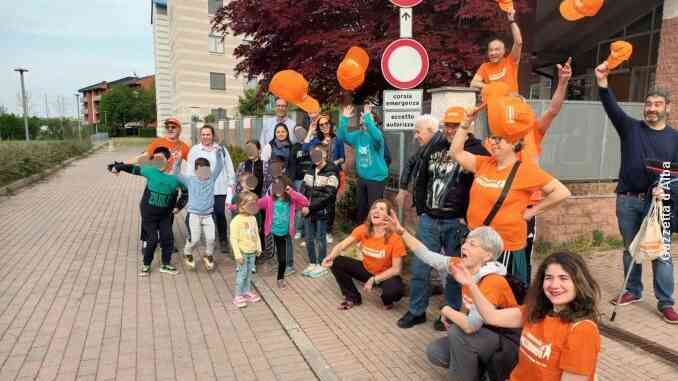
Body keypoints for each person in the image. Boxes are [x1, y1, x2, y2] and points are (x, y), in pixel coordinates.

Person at [384, 211, 519, 381]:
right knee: (436, 352)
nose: (464, 246)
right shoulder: (462, 266)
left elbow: (471, 326)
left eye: (472, 244)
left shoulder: (493, 281)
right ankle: (481, 371)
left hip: (505, 341)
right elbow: (427, 255)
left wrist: (447, 310)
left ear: (488, 255)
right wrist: (401, 231)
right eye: (466, 242)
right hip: (484, 335)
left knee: (458, 332)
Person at [595, 61, 678, 323]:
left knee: (661, 252)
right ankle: (633, 290)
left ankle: (666, 302)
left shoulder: (675, 139)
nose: (651, 109)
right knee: (630, 248)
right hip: (628, 200)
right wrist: (602, 82)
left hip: (659, 204)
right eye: (648, 104)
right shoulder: (630, 128)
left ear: (668, 108)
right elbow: (611, 106)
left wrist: (666, 190)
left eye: (657, 104)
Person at [452, 110, 571, 285]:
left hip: (505, 246)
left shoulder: (526, 171)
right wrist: (465, 124)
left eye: (501, 139)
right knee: (477, 291)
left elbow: (561, 192)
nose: (494, 142)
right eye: (493, 138)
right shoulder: (484, 163)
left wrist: (532, 212)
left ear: (515, 143)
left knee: (501, 294)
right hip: (478, 244)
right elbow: (456, 153)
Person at [395, 112, 490, 330]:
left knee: (455, 270)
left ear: (468, 126)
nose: (449, 129)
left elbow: (483, 188)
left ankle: (450, 314)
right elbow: (422, 177)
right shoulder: (434, 146)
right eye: (447, 125)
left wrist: (469, 218)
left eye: (455, 125)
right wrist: (421, 209)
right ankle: (416, 311)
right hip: (429, 219)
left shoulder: (477, 151)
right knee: (420, 266)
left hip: (456, 223)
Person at [451, 251, 602, 381]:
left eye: (563, 278)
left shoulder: (582, 331)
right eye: (548, 277)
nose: (554, 285)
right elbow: (491, 316)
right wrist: (471, 284)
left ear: (579, 283)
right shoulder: (537, 311)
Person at [521, 57, 573, 281]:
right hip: (502, 204)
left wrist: (562, 83)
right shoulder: (495, 139)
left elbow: (552, 110)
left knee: (522, 255)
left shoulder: (533, 131)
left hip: (527, 205)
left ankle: (522, 299)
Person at [108, 147, 187, 276]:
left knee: (167, 238)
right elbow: (132, 169)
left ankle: (166, 264)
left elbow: (185, 192)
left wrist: (179, 206)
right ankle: (146, 265)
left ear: (168, 159)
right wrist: (117, 167)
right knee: (152, 240)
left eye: (160, 159)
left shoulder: (176, 178)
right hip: (148, 214)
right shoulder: (150, 171)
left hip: (165, 215)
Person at [321, 199, 405, 310]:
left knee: (395, 292)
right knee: (336, 261)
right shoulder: (363, 229)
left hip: (386, 275)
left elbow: (396, 269)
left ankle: (387, 300)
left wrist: (374, 279)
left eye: (381, 209)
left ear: (388, 216)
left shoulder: (395, 238)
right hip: (366, 270)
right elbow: (342, 245)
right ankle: (353, 297)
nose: (376, 211)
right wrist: (330, 256)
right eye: (374, 208)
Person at [185, 125, 236, 254]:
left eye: (208, 134)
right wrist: (191, 187)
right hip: (202, 189)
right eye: (203, 134)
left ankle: (223, 240)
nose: (206, 137)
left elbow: (228, 166)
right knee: (201, 215)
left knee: (219, 213)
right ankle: (201, 239)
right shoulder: (195, 150)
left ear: (213, 135)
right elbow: (190, 170)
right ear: (200, 136)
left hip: (219, 188)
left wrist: (231, 183)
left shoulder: (221, 149)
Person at [173, 148, 224, 271]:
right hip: (194, 215)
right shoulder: (190, 180)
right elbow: (176, 173)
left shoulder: (211, 178)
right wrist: (179, 160)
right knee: (195, 239)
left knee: (211, 238)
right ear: (196, 171)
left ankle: (208, 255)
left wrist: (218, 153)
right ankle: (187, 252)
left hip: (208, 215)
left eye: (207, 170)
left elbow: (220, 166)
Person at [336, 103, 388, 223]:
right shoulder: (358, 135)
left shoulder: (377, 137)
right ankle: (362, 234)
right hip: (363, 178)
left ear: (374, 122)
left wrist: (368, 119)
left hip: (376, 179)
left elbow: (377, 136)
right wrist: (344, 118)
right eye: (362, 119)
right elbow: (342, 136)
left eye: (367, 119)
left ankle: (376, 235)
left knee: (375, 210)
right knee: (362, 209)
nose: (363, 121)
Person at [256, 177, 309, 288]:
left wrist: (292, 192)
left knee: (283, 260)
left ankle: (280, 279)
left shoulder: (291, 201)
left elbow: (305, 202)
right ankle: (265, 262)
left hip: (284, 233)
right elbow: (254, 204)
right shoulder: (269, 200)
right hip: (271, 232)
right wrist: (234, 206)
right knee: (269, 254)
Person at [303, 113, 345, 243]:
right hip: (318, 173)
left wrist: (331, 164)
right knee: (315, 201)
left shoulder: (337, 140)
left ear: (330, 124)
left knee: (330, 203)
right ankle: (314, 232)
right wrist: (310, 131)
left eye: (326, 123)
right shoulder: (316, 140)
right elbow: (304, 148)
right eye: (321, 125)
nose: (324, 126)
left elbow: (343, 158)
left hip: (332, 173)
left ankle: (327, 231)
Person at [300, 146, 339, 278]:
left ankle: (322, 264)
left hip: (321, 211)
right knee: (309, 238)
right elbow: (303, 188)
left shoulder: (332, 172)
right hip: (307, 210)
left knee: (321, 238)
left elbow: (328, 195)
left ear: (325, 155)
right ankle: (312, 262)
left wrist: (311, 207)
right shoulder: (309, 170)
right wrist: (303, 204)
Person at [470, 8, 523, 92]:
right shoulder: (485, 67)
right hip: (493, 103)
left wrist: (511, 21)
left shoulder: (511, 61)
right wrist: (490, 87)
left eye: (497, 49)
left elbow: (518, 42)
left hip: (511, 102)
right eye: (490, 50)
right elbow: (473, 83)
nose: (493, 52)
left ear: (504, 51)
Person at [230, 191, 263, 308]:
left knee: (249, 273)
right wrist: (237, 254)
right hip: (242, 253)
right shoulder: (236, 221)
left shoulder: (253, 219)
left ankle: (246, 291)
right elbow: (233, 239)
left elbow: (256, 234)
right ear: (241, 205)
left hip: (252, 252)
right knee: (242, 274)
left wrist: (258, 247)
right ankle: (238, 295)